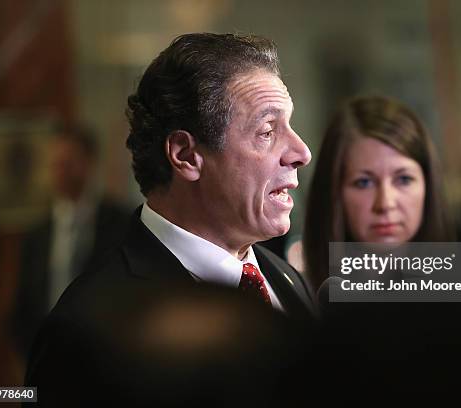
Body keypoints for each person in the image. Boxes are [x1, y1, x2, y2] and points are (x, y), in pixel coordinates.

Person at [25, 33, 314, 405]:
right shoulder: (85, 328)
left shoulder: (288, 279)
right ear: (186, 155)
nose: (301, 152)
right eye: (267, 131)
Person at [303, 94, 452, 291]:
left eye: (404, 179)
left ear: (427, 184)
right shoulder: (297, 302)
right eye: (364, 182)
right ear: (333, 192)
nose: (385, 203)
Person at [11, 124, 130, 359]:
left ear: (88, 163)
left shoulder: (122, 224)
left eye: (68, 162)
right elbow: (24, 305)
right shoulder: (36, 235)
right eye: (55, 164)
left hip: (106, 356)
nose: (60, 171)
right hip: (49, 357)